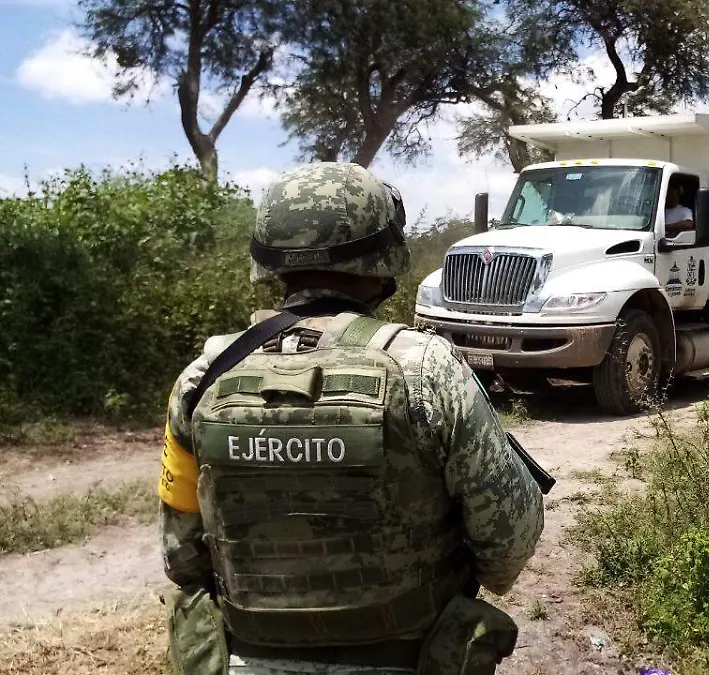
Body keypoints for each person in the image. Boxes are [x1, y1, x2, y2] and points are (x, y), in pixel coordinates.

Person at [156, 161, 545, 675]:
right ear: (384, 256)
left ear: (270, 258)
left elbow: (181, 556)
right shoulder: (426, 369)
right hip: (412, 656)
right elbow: (509, 538)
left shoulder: (201, 378)